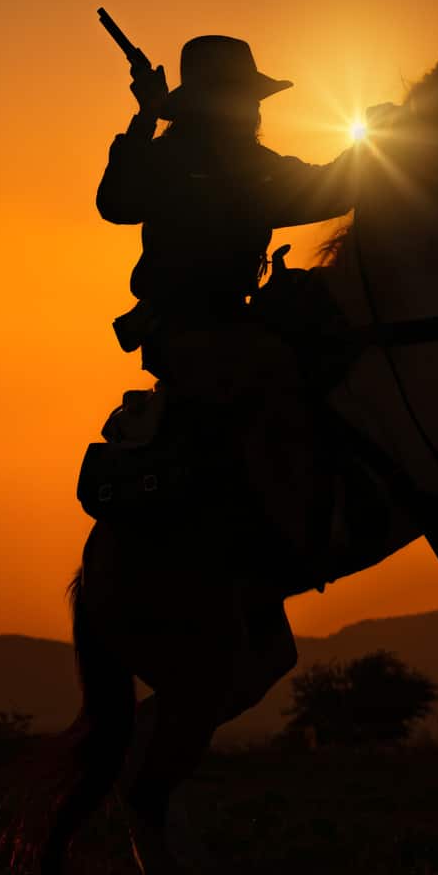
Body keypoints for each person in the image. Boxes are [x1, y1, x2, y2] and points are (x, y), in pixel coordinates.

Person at [96, 35, 361, 580]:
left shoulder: (248, 164)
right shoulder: (185, 161)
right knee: (275, 370)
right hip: (186, 330)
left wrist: (385, 150)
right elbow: (115, 201)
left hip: (230, 320)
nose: (256, 108)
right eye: (246, 96)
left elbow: (328, 185)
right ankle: (295, 529)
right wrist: (144, 117)